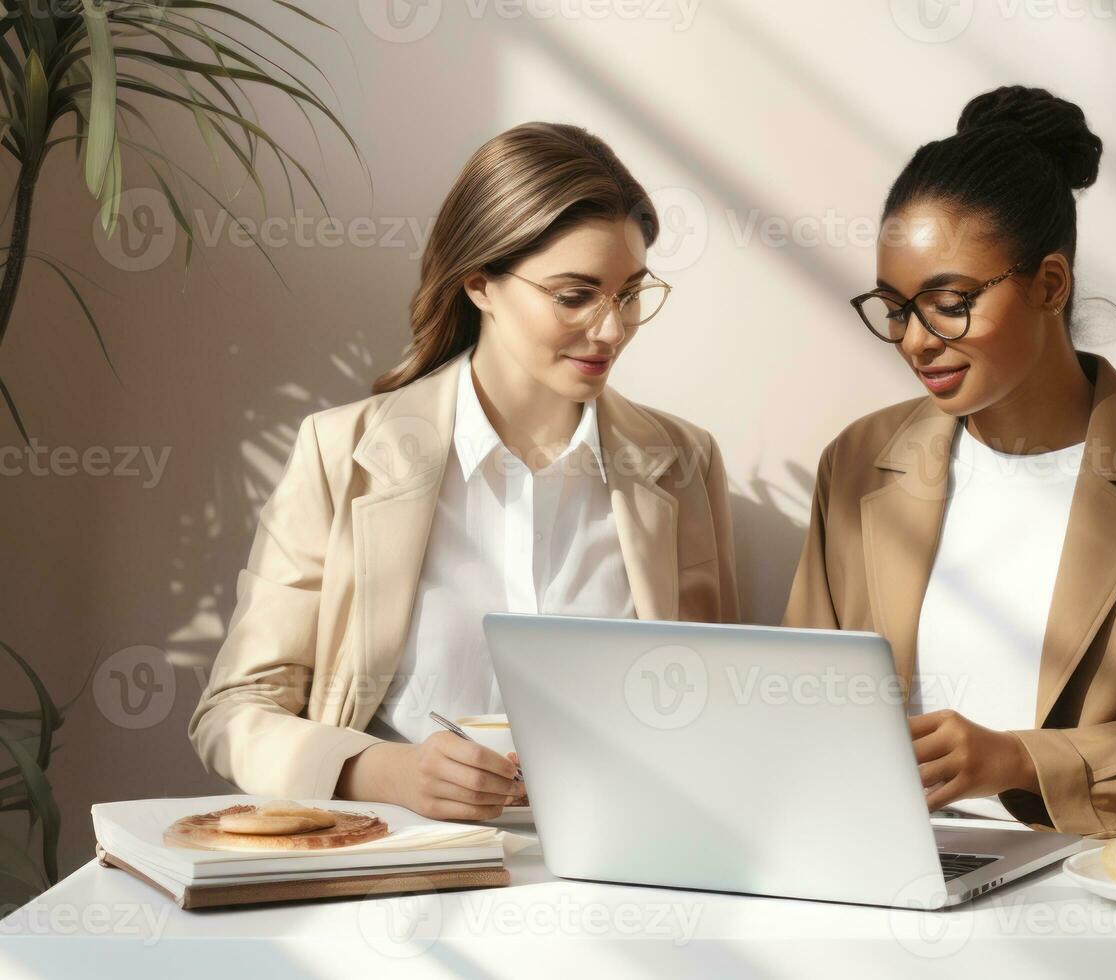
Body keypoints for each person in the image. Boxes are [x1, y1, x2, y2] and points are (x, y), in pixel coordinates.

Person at [190, 122, 739, 821]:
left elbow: (714, 716)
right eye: (575, 296)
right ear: (479, 282)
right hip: (394, 886)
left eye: (630, 293)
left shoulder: (682, 465)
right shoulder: (343, 454)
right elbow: (234, 713)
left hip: (622, 876)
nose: (612, 329)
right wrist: (381, 771)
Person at [781, 86, 1116, 837]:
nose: (915, 340)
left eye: (948, 301)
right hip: (881, 873)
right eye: (894, 307)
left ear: (1050, 284)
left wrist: (1018, 760)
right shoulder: (859, 462)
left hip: (1096, 896)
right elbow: (797, 712)